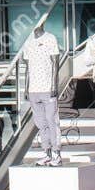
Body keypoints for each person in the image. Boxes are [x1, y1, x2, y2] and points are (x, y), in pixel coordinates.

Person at [22, 22, 62, 165]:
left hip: (47, 88)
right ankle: (47, 152)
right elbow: (27, 68)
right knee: (40, 123)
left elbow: (55, 63)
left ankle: (57, 153)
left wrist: (53, 85)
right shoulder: (28, 41)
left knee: (52, 120)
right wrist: (26, 88)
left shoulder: (50, 38)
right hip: (34, 89)